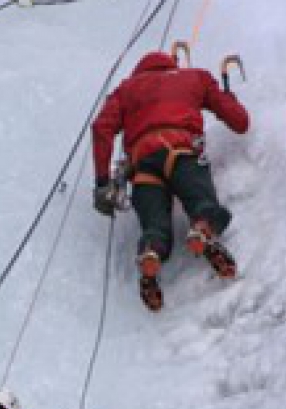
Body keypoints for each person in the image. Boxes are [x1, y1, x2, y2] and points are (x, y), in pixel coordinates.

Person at [91, 50, 250, 311]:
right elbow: (240, 122)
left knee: (155, 227)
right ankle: (202, 227)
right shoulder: (195, 77)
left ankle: (151, 251)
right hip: (182, 153)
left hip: (143, 166)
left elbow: (101, 128)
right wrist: (229, 97)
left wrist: (101, 182)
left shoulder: (126, 90)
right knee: (202, 202)